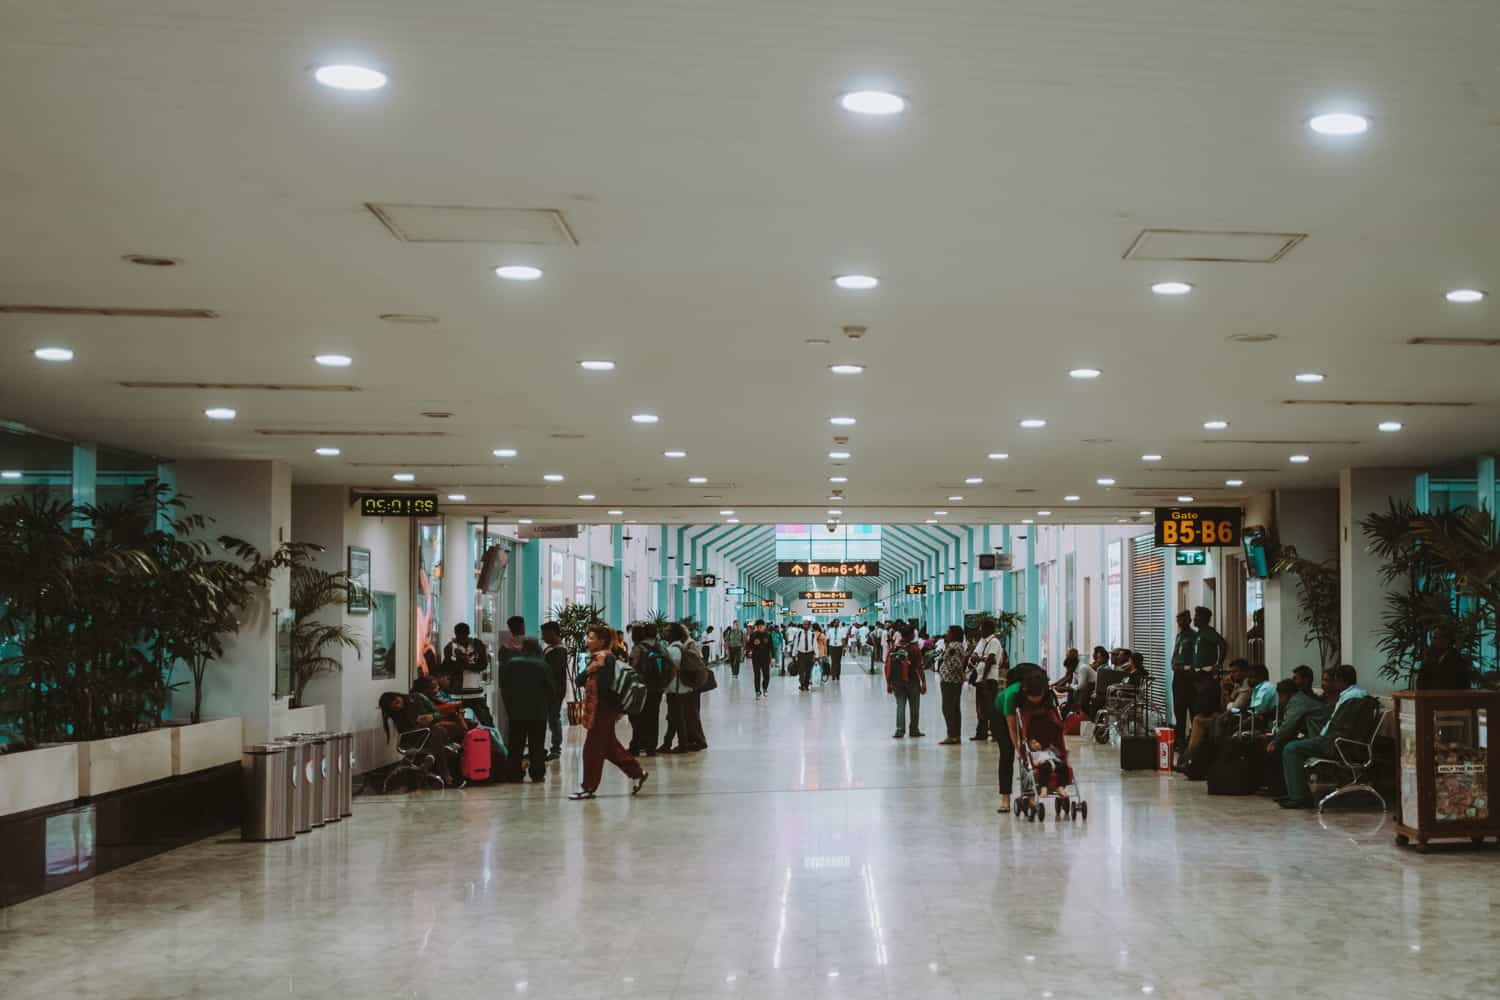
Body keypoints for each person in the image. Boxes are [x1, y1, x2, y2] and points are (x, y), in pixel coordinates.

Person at [570, 625, 648, 800]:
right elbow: (579, 680)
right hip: (598, 710)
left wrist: (615, 710)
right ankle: (637, 772)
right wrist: (590, 669)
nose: (587, 641)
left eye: (591, 638)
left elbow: (607, 688)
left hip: (602, 711)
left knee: (591, 750)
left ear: (602, 641)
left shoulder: (606, 659)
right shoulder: (595, 659)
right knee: (609, 748)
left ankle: (588, 787)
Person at [1279, 664, 1369, 809]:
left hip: (1337, 744)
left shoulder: (1352, 698)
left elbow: (1340, 727)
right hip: (1337, 741)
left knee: (1291, 748)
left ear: (1339, 680)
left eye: (1333, 680)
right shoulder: (1355, 695)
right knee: (1296, 744)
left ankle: (1299, 797)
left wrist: (1321, 739)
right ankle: (1296, 793)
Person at [1261, 678, 1331, 796]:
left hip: (1322, 738)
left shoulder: (1297, 701)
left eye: (1280, 696)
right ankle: (1285, 790)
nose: (1280, 701)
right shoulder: (1301, 699)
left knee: (1286, 748)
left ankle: (1295, 795)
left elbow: (1288, 725)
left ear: (1284, 694)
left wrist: (1275, 741)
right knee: (1283, 745)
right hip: (1320, 736)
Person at [499, 638, 554, 782]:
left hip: (516, 711)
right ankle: (537, 773)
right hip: (538, 712)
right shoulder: (542, 665)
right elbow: (550, 689)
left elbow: (504, 687)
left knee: (516, 744)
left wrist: (509, 706)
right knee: (537, 744)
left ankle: (513, 773)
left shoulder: (511, 663)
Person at [379, 692, 461, 786]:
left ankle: (435, 764)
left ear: (399, 696)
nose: (399, 706)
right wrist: (417, 726)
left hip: (432, 732)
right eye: (394, 707)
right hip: (415, 738)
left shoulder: (417, 698)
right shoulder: (396, 714)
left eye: (398, 702)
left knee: (437, 732)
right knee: (438, 736)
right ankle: (444, 771)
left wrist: (431, 717)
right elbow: (406, 733)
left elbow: (438, 713)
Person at [628, 623, 670, 757]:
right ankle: (651, 747)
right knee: (653, 717)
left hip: (642, 687)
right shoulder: (662, 647)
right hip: (657, 687)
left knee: (639, 716)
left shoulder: (639, 648)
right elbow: (669, 665)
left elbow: (632, 666)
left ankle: (637, 746)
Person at [539, 621, 571, 760]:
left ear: (552, 633)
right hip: (549, 690)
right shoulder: (550, 648)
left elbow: (552, 672)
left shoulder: (559, 650)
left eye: (544, 633)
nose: (542, 637)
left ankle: (556, 748)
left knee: (553, 717)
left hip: (554, 690)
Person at [970, 618, 1005, 741]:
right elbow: (974, 656)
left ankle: (996, 733)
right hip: (980, 679)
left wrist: (984, 678)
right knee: (980, 708)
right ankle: (981, 733)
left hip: (988, 680)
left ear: (988, 629)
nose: (980, 630)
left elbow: (991, 660)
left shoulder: (994, 642)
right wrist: (981, 659)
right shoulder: (982, 641)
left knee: (990, 708)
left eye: (982, 628)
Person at [936, 625, 968, 744]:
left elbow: (956, 664)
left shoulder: (953, 646)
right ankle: (956, 735)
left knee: (948, 708)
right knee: (954, 708)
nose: (946, 634)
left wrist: (962, 675)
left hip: (950, 681)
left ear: (954, 634)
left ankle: (952, 735)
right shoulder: (958, 645)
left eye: (948, 632)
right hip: (953, 681)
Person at [1170, 610, 1197, 744]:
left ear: (1189, 620)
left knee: (1192, 709)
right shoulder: (1179, 636)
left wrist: (1185, 667)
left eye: (1182, 620)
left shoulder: (1194, 636)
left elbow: (1195, 658)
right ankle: (1179, 739)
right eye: (1178, 620)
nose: (1179, 623)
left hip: (1189, 677)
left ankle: (1193, 739)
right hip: (1178, 677)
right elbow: (1175, 654)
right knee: (1178, 709)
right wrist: (1173, 663)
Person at [441, 622, 491, 690]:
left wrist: (467, 665)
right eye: (459, 636)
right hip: (457, 685)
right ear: (456, 634)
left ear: (468, 633)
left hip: (473, 684)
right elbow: (446, 667)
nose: (462, 638)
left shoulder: (477, 644)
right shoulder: (449, 647)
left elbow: (484, 664)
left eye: (464, 636)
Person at [746, 620, 774, 699]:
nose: (760, 627)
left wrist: (773, 657)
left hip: (766, 658)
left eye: (761, 626)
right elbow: (749, 646)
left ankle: (765, 688)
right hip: (756, 658)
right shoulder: (753, 635)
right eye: (758, 626)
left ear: (764, 626)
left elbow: (771, 647)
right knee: (757, 675)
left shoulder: (768, 635)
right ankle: (757, 691)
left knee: (766, 675)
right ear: (756, 627)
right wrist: (750, 650)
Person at [789, 620, 817, 691]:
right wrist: (793, 655)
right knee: (801, 671)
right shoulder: (799, 634)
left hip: (810, 654)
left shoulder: (812, 634)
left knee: (808, 671)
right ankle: (802, 684)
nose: (805, 626)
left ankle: (806, 685)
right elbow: (795, 644)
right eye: (804, 624)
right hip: (801, 654)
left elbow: (815, 646)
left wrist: (816, 656)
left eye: (807, 624)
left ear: (809, 626)